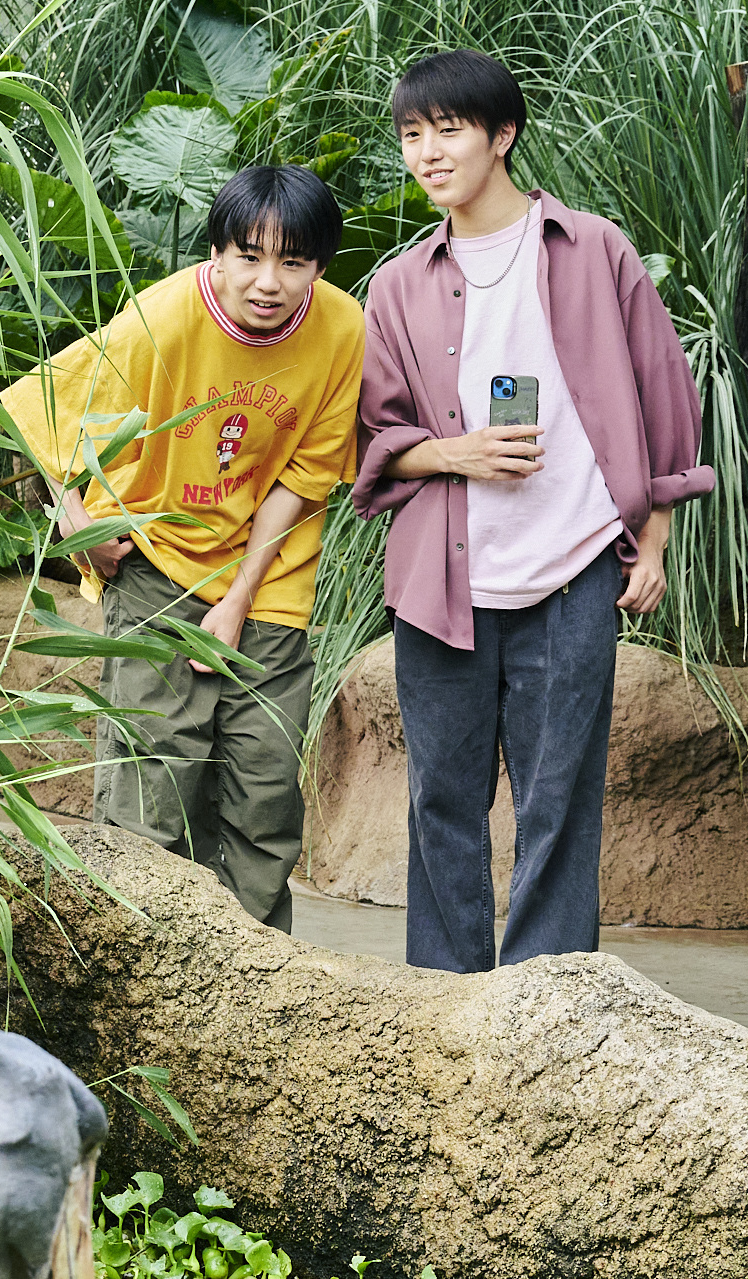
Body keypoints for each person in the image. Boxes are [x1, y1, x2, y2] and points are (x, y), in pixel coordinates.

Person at [352, 50, 715, 973]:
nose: (427, 153)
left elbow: (662, 386)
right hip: (445, 576)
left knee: (561, 795)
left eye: (447, 131)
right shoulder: (396, 284)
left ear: (501, 135)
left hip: (575, 565)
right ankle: (445, 999)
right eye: (410, 136)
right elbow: (377, 434)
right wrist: (458, 453)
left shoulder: (593, 249)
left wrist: (657, 533)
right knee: (441, 795)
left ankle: (548, 1001)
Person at [0, 165, 364, 932]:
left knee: (264, 790)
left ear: (321, 266)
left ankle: (258, 978)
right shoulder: (160, 320)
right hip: (157, 564)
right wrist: (77, 527)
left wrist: (237, 598)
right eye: (249, 257)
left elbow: (306, 474)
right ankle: (138, 968)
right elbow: (41, 407)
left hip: (269, 578)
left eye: (293, 262)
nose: (268, 282)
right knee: (151, 787)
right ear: (217, 254)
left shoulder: (342, 328)